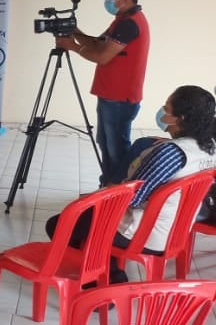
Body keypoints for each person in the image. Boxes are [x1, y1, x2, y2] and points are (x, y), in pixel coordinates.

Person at [45, 85, 216, 284]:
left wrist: (97, 198)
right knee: (88, 219)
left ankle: (104, 278)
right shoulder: (209, 147)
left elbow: (131, 199)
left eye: (166, 109)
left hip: (144, 234)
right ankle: (107, 268)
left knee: (59, 224)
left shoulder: (171, 153)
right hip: (177, 231)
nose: (162, 112)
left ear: (179, 119)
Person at [55, 0, 149, 186]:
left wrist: (72, 46)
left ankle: (118, 191)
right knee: (105, 143)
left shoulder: (130, 24)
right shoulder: (122, 20)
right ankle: (107, 185)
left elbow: (102, 56)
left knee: (116, 149)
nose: (108, 2)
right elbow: (98, 44)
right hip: (110, 93)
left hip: (120, 96)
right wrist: (75, 32)